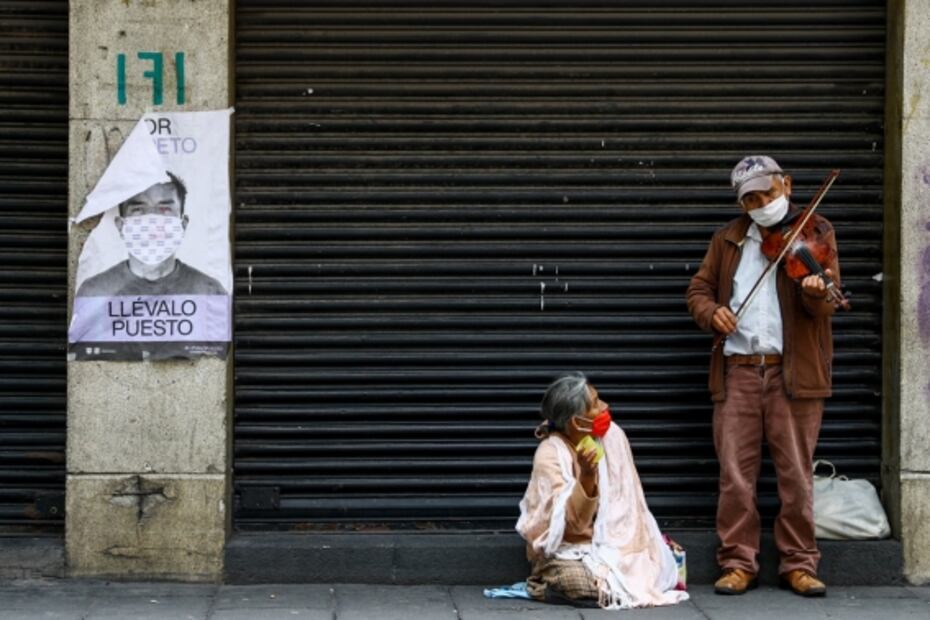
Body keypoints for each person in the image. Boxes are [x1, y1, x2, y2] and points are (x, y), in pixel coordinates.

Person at [686, 155, 839, 597]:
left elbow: (826, 306)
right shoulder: (728, 239)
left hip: (793, 373)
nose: (760, 205)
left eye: (766, 194)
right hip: (738, 370)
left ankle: (800, 564)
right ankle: (738, 563)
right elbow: (698, 289)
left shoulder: (817, 230)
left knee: (796, 475)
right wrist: (711, 312)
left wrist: (815, 292)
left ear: (786, 185)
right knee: (735, 474)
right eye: (750, 199)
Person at [516, 373, 689, 609]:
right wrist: (587, 476)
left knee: (656, 568)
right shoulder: (550, 455)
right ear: (577, 422)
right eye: (596, 403)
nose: (605, 406)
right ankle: (542, 585)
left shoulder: (612, 436)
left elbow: (628, 503)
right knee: (580, 584)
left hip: (611, 545)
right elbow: (572, 526)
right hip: (570, 550)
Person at [75, 172, 226, 298]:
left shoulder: (210, 292)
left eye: (165, 209)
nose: (153, 221)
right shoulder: (94, 293)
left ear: (183, 225)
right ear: (121, 226)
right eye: (138, 210)